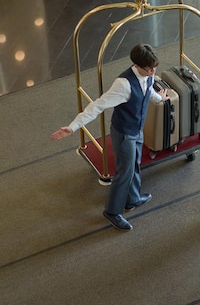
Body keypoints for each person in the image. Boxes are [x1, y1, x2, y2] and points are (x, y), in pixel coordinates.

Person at [51, 43, 168, 231]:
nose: (153, 71)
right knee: (124, 173)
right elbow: (97, 106)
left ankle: (133, 199)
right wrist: (72, 127)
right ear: (137, 65)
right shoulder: (123, 85)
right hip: (124, 134)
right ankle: (112, 212)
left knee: (135, 164)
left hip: (137, 130)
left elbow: (149, 91)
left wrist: (160, 98)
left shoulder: (148, 73)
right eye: (150, 68)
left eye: (155, 67)